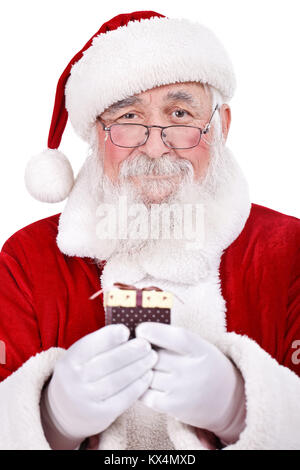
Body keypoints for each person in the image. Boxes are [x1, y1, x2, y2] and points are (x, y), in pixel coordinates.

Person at [0, 10, 299, 451]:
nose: (155, 146)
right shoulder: (28, 260)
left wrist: (240, 407)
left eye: (180, 113)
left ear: (221, 127)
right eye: (127, 118)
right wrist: (50, 418)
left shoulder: (288, 251)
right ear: (96, 136)